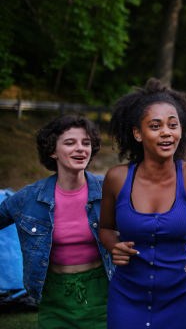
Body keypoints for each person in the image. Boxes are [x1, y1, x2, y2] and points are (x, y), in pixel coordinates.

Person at [99, 78, 186, 329]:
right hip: (125, 298)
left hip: (180, 299)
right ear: (137, 133)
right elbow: (105, 228)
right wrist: (114, 246)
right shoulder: (117, 178)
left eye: (172, 125)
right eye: (155, 126)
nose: (166, 132)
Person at [0, 115, 114, 329]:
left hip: (102, 290)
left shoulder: (109, 189)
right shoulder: (27, 198)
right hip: (53, 293)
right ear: (52, 151)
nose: (80, 148)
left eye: (86, 143)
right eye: (70, 143)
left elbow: (150, 225)